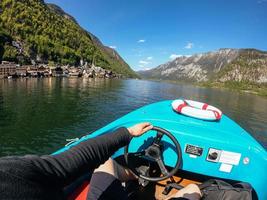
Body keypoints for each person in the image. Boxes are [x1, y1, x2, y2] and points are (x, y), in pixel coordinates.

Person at [0, 122, 201, 200]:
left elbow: (69, 162)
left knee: (106, 163)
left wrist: (127, 133)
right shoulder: (8, 172)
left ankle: (137, 177)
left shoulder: (9, 174)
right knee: (193, 190)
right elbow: (66, 163)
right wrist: (128, 132)